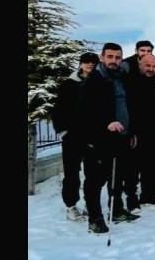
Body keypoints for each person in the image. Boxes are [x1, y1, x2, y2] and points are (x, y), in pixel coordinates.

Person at [77, 43, 140, 233]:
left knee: (117, 177)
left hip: (120, 137)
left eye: (117, 57)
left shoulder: (122, 78)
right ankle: (95, 219)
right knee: (95, 180)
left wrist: (131, 131)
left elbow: (129, 106)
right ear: (102, 57)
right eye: (110, 57)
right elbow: (85, 111)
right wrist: (106, 123)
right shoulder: (94, 80)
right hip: (97, 139)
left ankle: (117, 210)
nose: (114, 61)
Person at [50, 51, 99, 222]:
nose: (90, 64)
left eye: (93, 62)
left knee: (93, 173)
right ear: (80, 63)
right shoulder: (68, 84)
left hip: (93, 136)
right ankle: (71, 205)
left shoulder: (99, 83)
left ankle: (90, 203)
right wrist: (63, 131)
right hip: (72, 136)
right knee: (71, 173)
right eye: (86, 61)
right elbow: (58, 109)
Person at [125, 53, 155, 207]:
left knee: (153, 166)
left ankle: (149, 196)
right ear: (140, 65)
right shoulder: (131, 82)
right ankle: (131, 199)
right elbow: (127, 109)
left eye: (154, 66)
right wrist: (131, 132)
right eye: (148, 65)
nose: (151, 69)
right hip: (137, 133)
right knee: (133, 168)